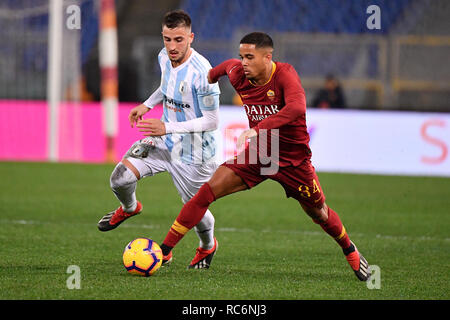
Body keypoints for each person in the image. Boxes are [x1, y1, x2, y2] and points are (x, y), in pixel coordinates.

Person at [155, 32, 371, 281]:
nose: (243, 62)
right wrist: (211, 76)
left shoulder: (285, 75)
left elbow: (296, 108)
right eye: (242, 56)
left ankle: (349, 249)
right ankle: (163, 252)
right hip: (259, 156)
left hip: (293, 161)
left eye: (250, 57)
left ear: (267, 58)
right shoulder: (239, 73)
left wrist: (257, 129)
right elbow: (227, 67)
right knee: (205, 193)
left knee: (319, 212)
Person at [97, 10, 220, 269]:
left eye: (178, 40)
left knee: (195, 211)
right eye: (167, 39)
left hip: (194, 153)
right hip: (164, 141)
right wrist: (146, 105)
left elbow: (212, 121)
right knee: (120, 178)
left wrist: (168, 126)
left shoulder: (204, 74)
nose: (172, 46)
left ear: (191, 37)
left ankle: (208, 246)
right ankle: (130, 208)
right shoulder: (164, 56)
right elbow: (166, 88)